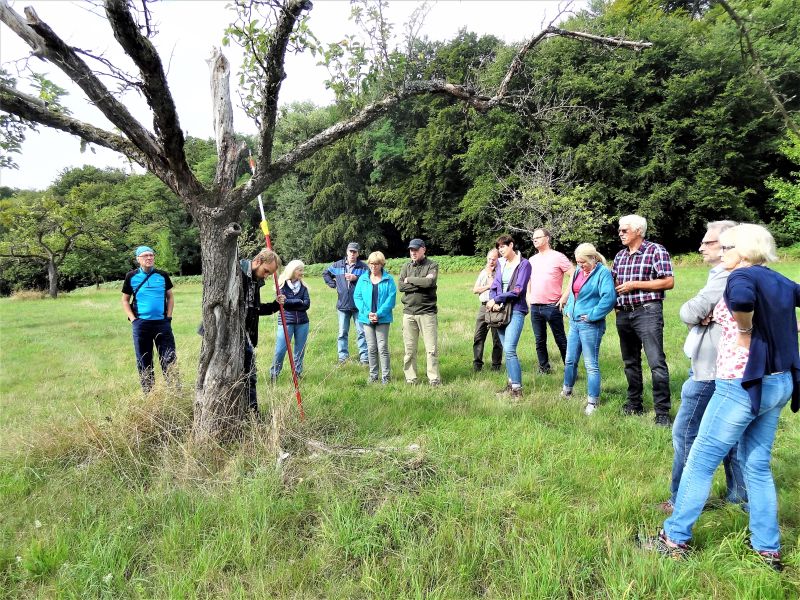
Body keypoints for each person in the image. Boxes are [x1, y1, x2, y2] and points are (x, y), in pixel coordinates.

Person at [639, 224, 800, 572]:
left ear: (743, 252)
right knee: (756, 466)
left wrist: (743, 329)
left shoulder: (739, 279)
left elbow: (741, 300)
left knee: (699, 461)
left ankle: (674, 539)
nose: (721, 253)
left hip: (740, 384)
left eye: (727, 248)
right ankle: (767, 548)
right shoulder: (780, 280)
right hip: (777, 383)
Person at [660, 221, 747, 515]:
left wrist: (697, 312)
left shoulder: (725, 275)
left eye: (708, 243)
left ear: (727, 246)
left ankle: (679, 500)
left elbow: (689, 311)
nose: (701, 247)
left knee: (686, 432)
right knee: (732, 435)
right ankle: (739, 498)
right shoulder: (738, 274)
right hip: (724, 369)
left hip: (710, 369)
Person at [612, 214, 675, 427]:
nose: (620, 233)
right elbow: (614, 282)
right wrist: (616, 306)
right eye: (620, 230)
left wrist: (635, 285)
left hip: (647, 311)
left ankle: (662, 412)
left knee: (656, 362)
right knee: (630, 362)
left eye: (624, 230)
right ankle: (634, 404)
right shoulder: (620, 256)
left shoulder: (655, 250)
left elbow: (668, 281)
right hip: (624, 313)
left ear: (638, 231)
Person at [561, 243, 617, 415]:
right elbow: (573, 292)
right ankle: (566, 392)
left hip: (591, 325)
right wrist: (568, 309)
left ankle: (593, 401)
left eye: (583, 262)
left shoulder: (603, 273)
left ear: (593, 258)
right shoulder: (578, 271)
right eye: (578, 262)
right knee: (570, 360)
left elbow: (609, 298)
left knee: (590, 364)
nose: (580, 266)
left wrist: (593, 315)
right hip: (575, 323)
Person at [121, 245, 177, 392]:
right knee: (144, 359)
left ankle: (174, 392)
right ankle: (149, 393)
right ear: (138, 259)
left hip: (162, 324)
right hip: (141, 325)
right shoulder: (131, 276)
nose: (149, 258)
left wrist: (168, 317)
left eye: (151, 255)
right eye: (145, 255)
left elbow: (170, 297)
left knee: (169, 358)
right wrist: (133, 319)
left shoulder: (162, 275)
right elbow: (125, 300)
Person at [487, 234, 532, 399]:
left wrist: (497, 299)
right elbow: (495, 285)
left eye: (503, 246)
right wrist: (494, 301)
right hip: (499, 311)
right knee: (507, 350)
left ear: (511, 245)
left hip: (516, 309)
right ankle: (511, 384)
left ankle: (517, 391)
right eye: (499, 248)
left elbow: (518, 290)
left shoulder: (524, 264)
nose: (501, 250)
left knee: (510, 349)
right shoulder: (500, 264)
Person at [240, 249, 284, 412]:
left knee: (249, 376)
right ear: (257, 261)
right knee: (247, 376)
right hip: (229, 335)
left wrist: (275, 305)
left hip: (246, 335)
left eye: (270, 274)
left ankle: (251, 413)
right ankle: (252, 413)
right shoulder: (237, 273)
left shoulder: (255, 280)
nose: (266, 276)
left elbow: (254, 309)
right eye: (266, 271)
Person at [527, 228, 574, 374]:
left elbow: (574, 274)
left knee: (560, 339)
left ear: (547, 238)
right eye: (533, 238)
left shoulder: (558, 257)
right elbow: (528, 280)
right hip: (535, 306)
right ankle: (544, 368)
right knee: (539, 340)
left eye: (538, 237)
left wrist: (565, 296)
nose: (535, 240)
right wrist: (528, 297)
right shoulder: (532, 260)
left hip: (552, 305)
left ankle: (570, 369)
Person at [399, 238, 441, 386]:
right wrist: (420, 282)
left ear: (424, 249)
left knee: (431, 349)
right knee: (409, 349)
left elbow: (429, 283)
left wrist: (410, 279)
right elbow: (401, 287)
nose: (413, 252)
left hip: (427, 312)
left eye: (416, 249)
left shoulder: (432, 265)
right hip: (409, 312)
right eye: (411, 250)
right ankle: (411, 378)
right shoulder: (405, 266)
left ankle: (434, 379)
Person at [353, 251, 397, 384]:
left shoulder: (388, 279)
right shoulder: (363, 278)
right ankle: (373, 376)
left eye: (376, 264)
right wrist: (367, 313)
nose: (373, 266)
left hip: (382, 319)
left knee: (382, 347)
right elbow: (357, 297)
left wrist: (378, 314)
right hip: (366, 319)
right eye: (371, 263)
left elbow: (391, 299)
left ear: (382, 264)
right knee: (371, 348)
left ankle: (386, 377)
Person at [323, 242, 369, 365]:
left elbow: (370, 280)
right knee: (342, 333)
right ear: (347, 252)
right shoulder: (338, 265)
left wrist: (356, 278)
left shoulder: (364, 268)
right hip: (342, 305)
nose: (352, 254)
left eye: (355, 252)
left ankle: (364, 358)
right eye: (350, 251)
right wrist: (333, 284)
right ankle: (343, 358)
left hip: (359, 306)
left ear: (358, 253)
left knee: (362, 332)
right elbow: (325, 273)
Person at [270, 260, 311, 380]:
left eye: (302, 270)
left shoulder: (303, 287)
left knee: (300, 351)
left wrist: (292, 302)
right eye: (300, 270)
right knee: (280, 350)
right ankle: (274, 374)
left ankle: (297, 374)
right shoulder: (281, 285)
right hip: (286, 321)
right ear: (293, 271)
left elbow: (307, 304)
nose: (302, 273)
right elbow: (284, 304)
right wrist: (299, 301)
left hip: (303, 323)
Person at [472, 248, 502, 372]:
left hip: (496, 307)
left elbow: (496, 288)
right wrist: (488, 286)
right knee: (478, 336)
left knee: (497, 338)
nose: (491, 261)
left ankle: (496, 366)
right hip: (484, 306)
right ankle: (477, 365)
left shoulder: (501, 272)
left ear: (498, 259)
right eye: (489, 259)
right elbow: (475, 290)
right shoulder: (483, 272)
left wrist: (490, 281)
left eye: (494, 259)